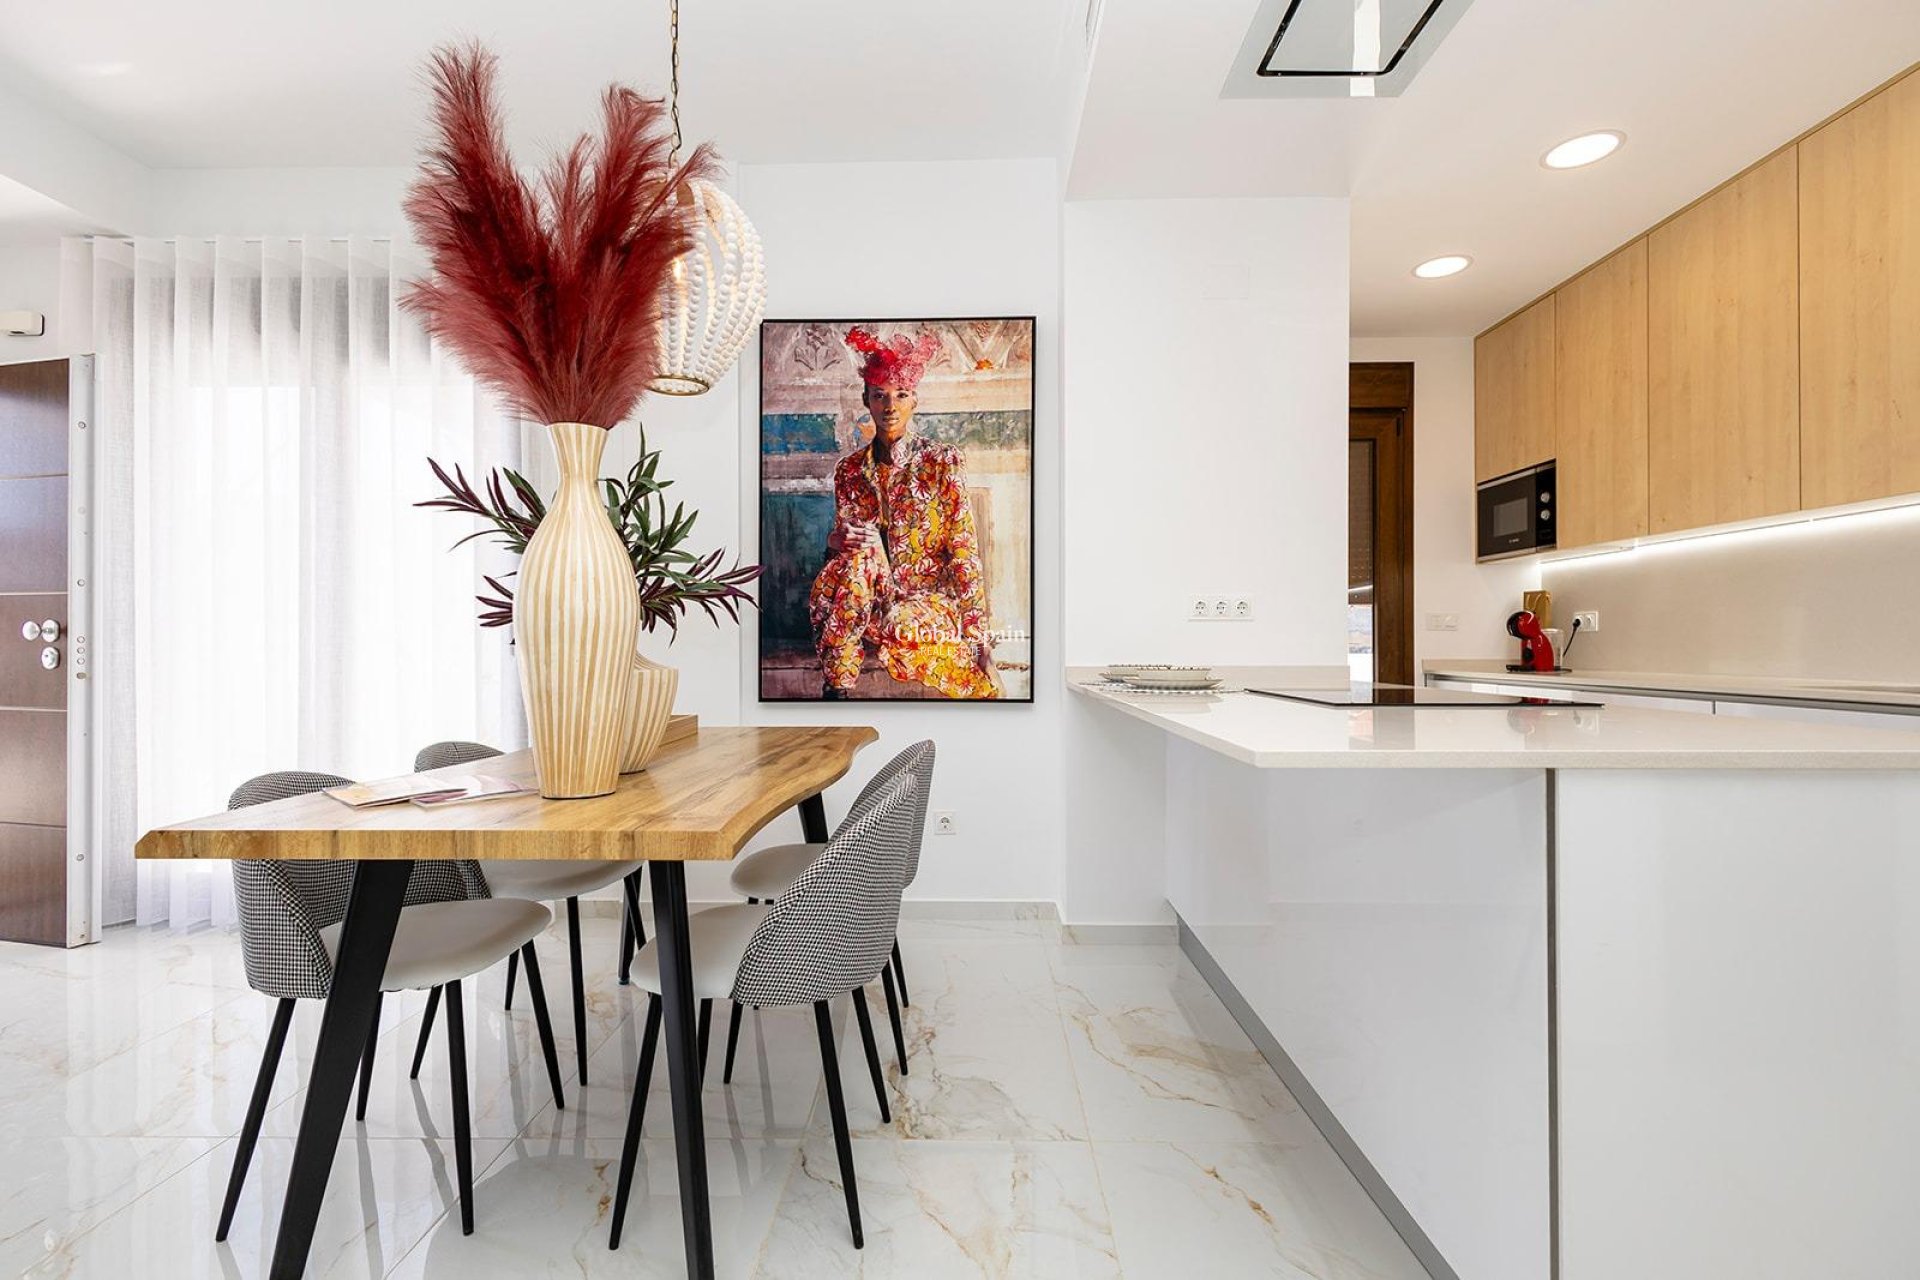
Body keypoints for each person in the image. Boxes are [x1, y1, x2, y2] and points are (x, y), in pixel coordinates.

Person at [808, 327, 1000, 699]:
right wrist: (833, 543)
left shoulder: (941, 461)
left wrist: (979, 639)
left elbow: (964, 553)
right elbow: (844, 565)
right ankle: (838, 690)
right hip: (867, 601)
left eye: (900, 395)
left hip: (925, 604)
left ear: (914, 400)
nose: (889, 406)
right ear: (866, 401)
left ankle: (838, 683)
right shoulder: (849, 471)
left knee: (899, 621)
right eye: (879, 395)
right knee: (855, 561)